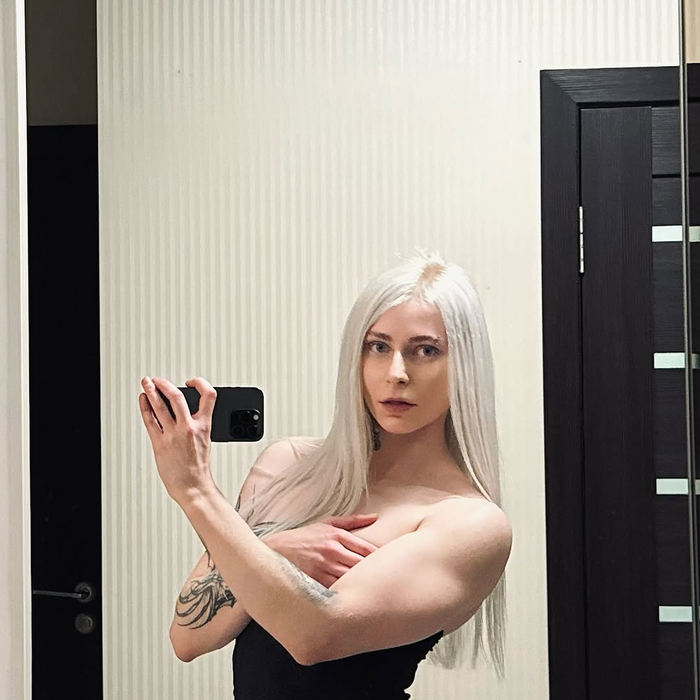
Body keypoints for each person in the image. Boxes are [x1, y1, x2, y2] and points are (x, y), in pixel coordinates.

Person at [138, 249, 512, 699]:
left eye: (425, 351)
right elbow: (187, 637)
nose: (396, 373)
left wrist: (197, 492)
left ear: (464, 367)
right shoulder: (286, 467)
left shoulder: (471, 524)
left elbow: (314, 634)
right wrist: (276, 547)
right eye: (378, 346)